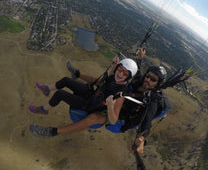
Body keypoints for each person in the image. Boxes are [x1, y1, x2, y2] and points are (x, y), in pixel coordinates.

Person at [30, 59, 173, 155]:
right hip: (108, 101)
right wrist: (137, 59)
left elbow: (146, 122)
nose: (148, 79)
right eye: (148, 76)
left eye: (153, 79)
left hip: (118, 118)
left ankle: (52, 132)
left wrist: (141, 143)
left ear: (158, 84)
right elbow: (130, 72)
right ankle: (74, 76)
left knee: (93, 117)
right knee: (100, 84)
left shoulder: (153, 100)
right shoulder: (137, 81)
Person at [29, 57, 138, 136]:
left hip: (91, 106)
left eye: (125, 73)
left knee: (60, 94)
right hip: (92, 96)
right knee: (66, 80)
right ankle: (46, 89)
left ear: (128, 77)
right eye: (120, 70)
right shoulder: (113, 77)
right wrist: (114, 65)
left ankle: (44, 110)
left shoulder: (121, 94)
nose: (120, 74)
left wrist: (110, 106)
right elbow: (106, 81)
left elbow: (113, 120)